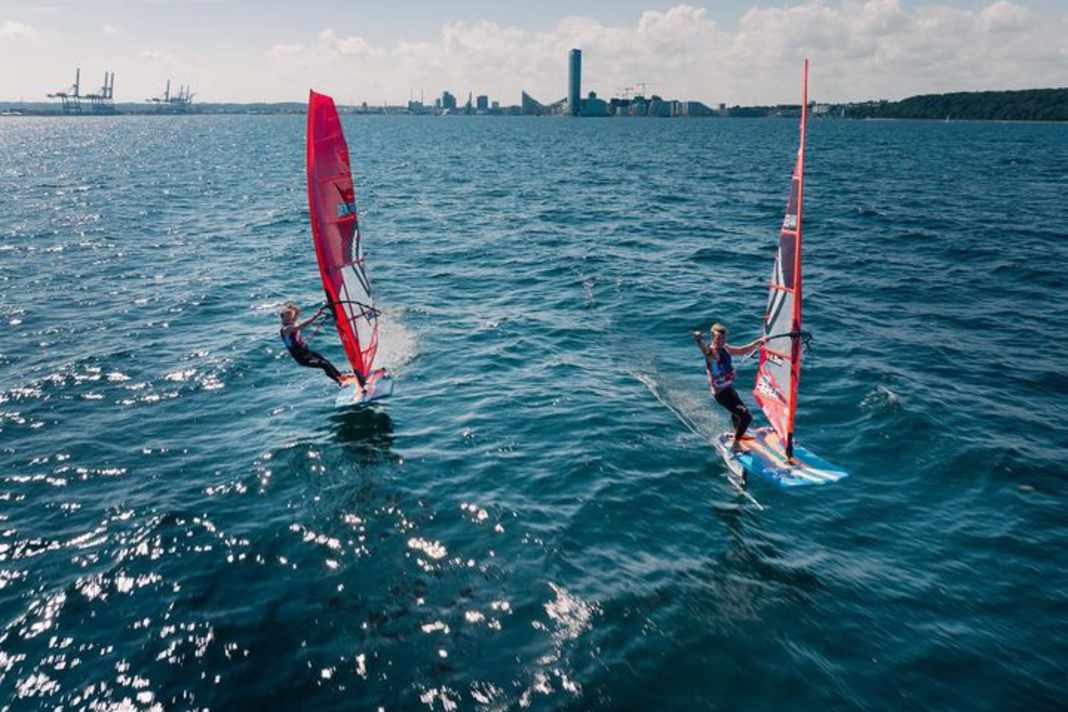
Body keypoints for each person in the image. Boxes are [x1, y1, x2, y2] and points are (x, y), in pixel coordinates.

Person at [692, 323, 766, 450]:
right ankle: (736, 444)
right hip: (721, 394)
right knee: (746, 417)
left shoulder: (725, 348)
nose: (721, 341)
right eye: (718, 338)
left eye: (723, 338)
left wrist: (757, 342)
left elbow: (742, 350)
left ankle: (737, 434)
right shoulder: (712, 354)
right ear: (712, 338)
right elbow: (705, 350)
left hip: (729, 389)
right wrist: (699, 340)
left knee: (737, 414)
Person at [279, 302, 361, 391]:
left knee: (325, 361)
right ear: (282, 317)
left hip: (307, 352)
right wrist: (316, 316)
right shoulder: (286, 329)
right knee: (323, 364)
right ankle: (340, 382)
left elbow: (297, 311)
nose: (290, 318)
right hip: (301, 357)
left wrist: (291, 307)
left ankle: (341, 376)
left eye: (291, 316)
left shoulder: (290, 322)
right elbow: (300, 327)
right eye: (287, 317)